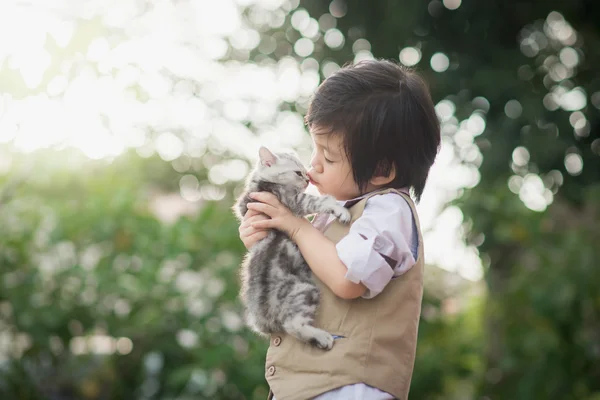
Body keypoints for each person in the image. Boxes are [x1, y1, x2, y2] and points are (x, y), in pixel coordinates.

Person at [238, 59, 440, 400]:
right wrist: (265, 236)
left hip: (350, 387)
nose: (313, 164)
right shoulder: (332, 215)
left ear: (380, 170)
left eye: (328, 157)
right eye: (314, 147)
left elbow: (348, 277)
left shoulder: (389, 210)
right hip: (305, 385)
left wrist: (295, 227)